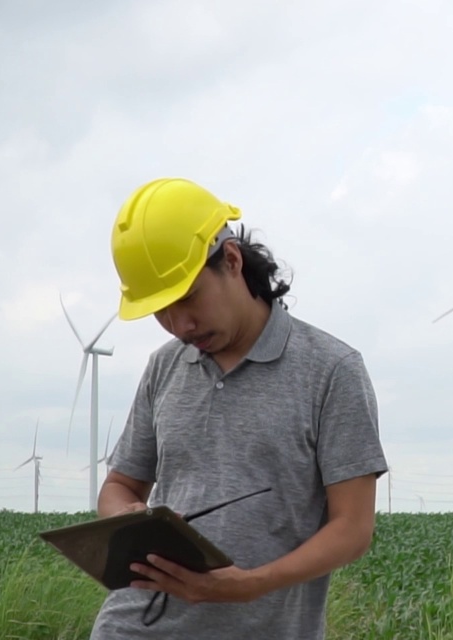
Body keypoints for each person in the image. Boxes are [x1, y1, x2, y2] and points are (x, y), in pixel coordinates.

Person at [89, 177, 388, 639]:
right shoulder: (163, 367)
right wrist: (141, 522)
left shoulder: (332, 370)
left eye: (187, 298)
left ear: (231, 261)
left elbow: (353, 527)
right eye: (161, 311)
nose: (179, 325)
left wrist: (250, 586)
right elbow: (118, 486)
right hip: (133, 626)